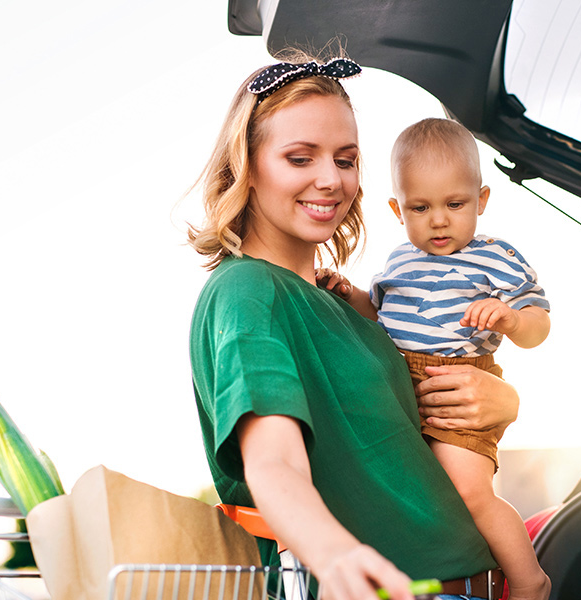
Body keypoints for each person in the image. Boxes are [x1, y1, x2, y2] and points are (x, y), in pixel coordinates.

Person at [187, 53, 524, 600]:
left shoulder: (345, 303)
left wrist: (499, 400)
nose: (330, 179)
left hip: (476, 582)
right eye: (300, 158)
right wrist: (337, 556)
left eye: (346, 160)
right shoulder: (248, 291)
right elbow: (273, 460)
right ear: (246, 166)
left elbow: (403, 443)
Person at [318, 118, 551, 600]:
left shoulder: (496, 258)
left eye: (455, 204)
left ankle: (531, 581)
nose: (438, 220)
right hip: (403, 384)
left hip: (459, 384)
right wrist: (349, 293)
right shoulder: (399, 261)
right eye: (420, 207)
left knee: (470, 492)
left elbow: (538, 324)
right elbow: (378, 313)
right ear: (396, 210)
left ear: (482, 201)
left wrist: (509, 318)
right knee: (421, 493)